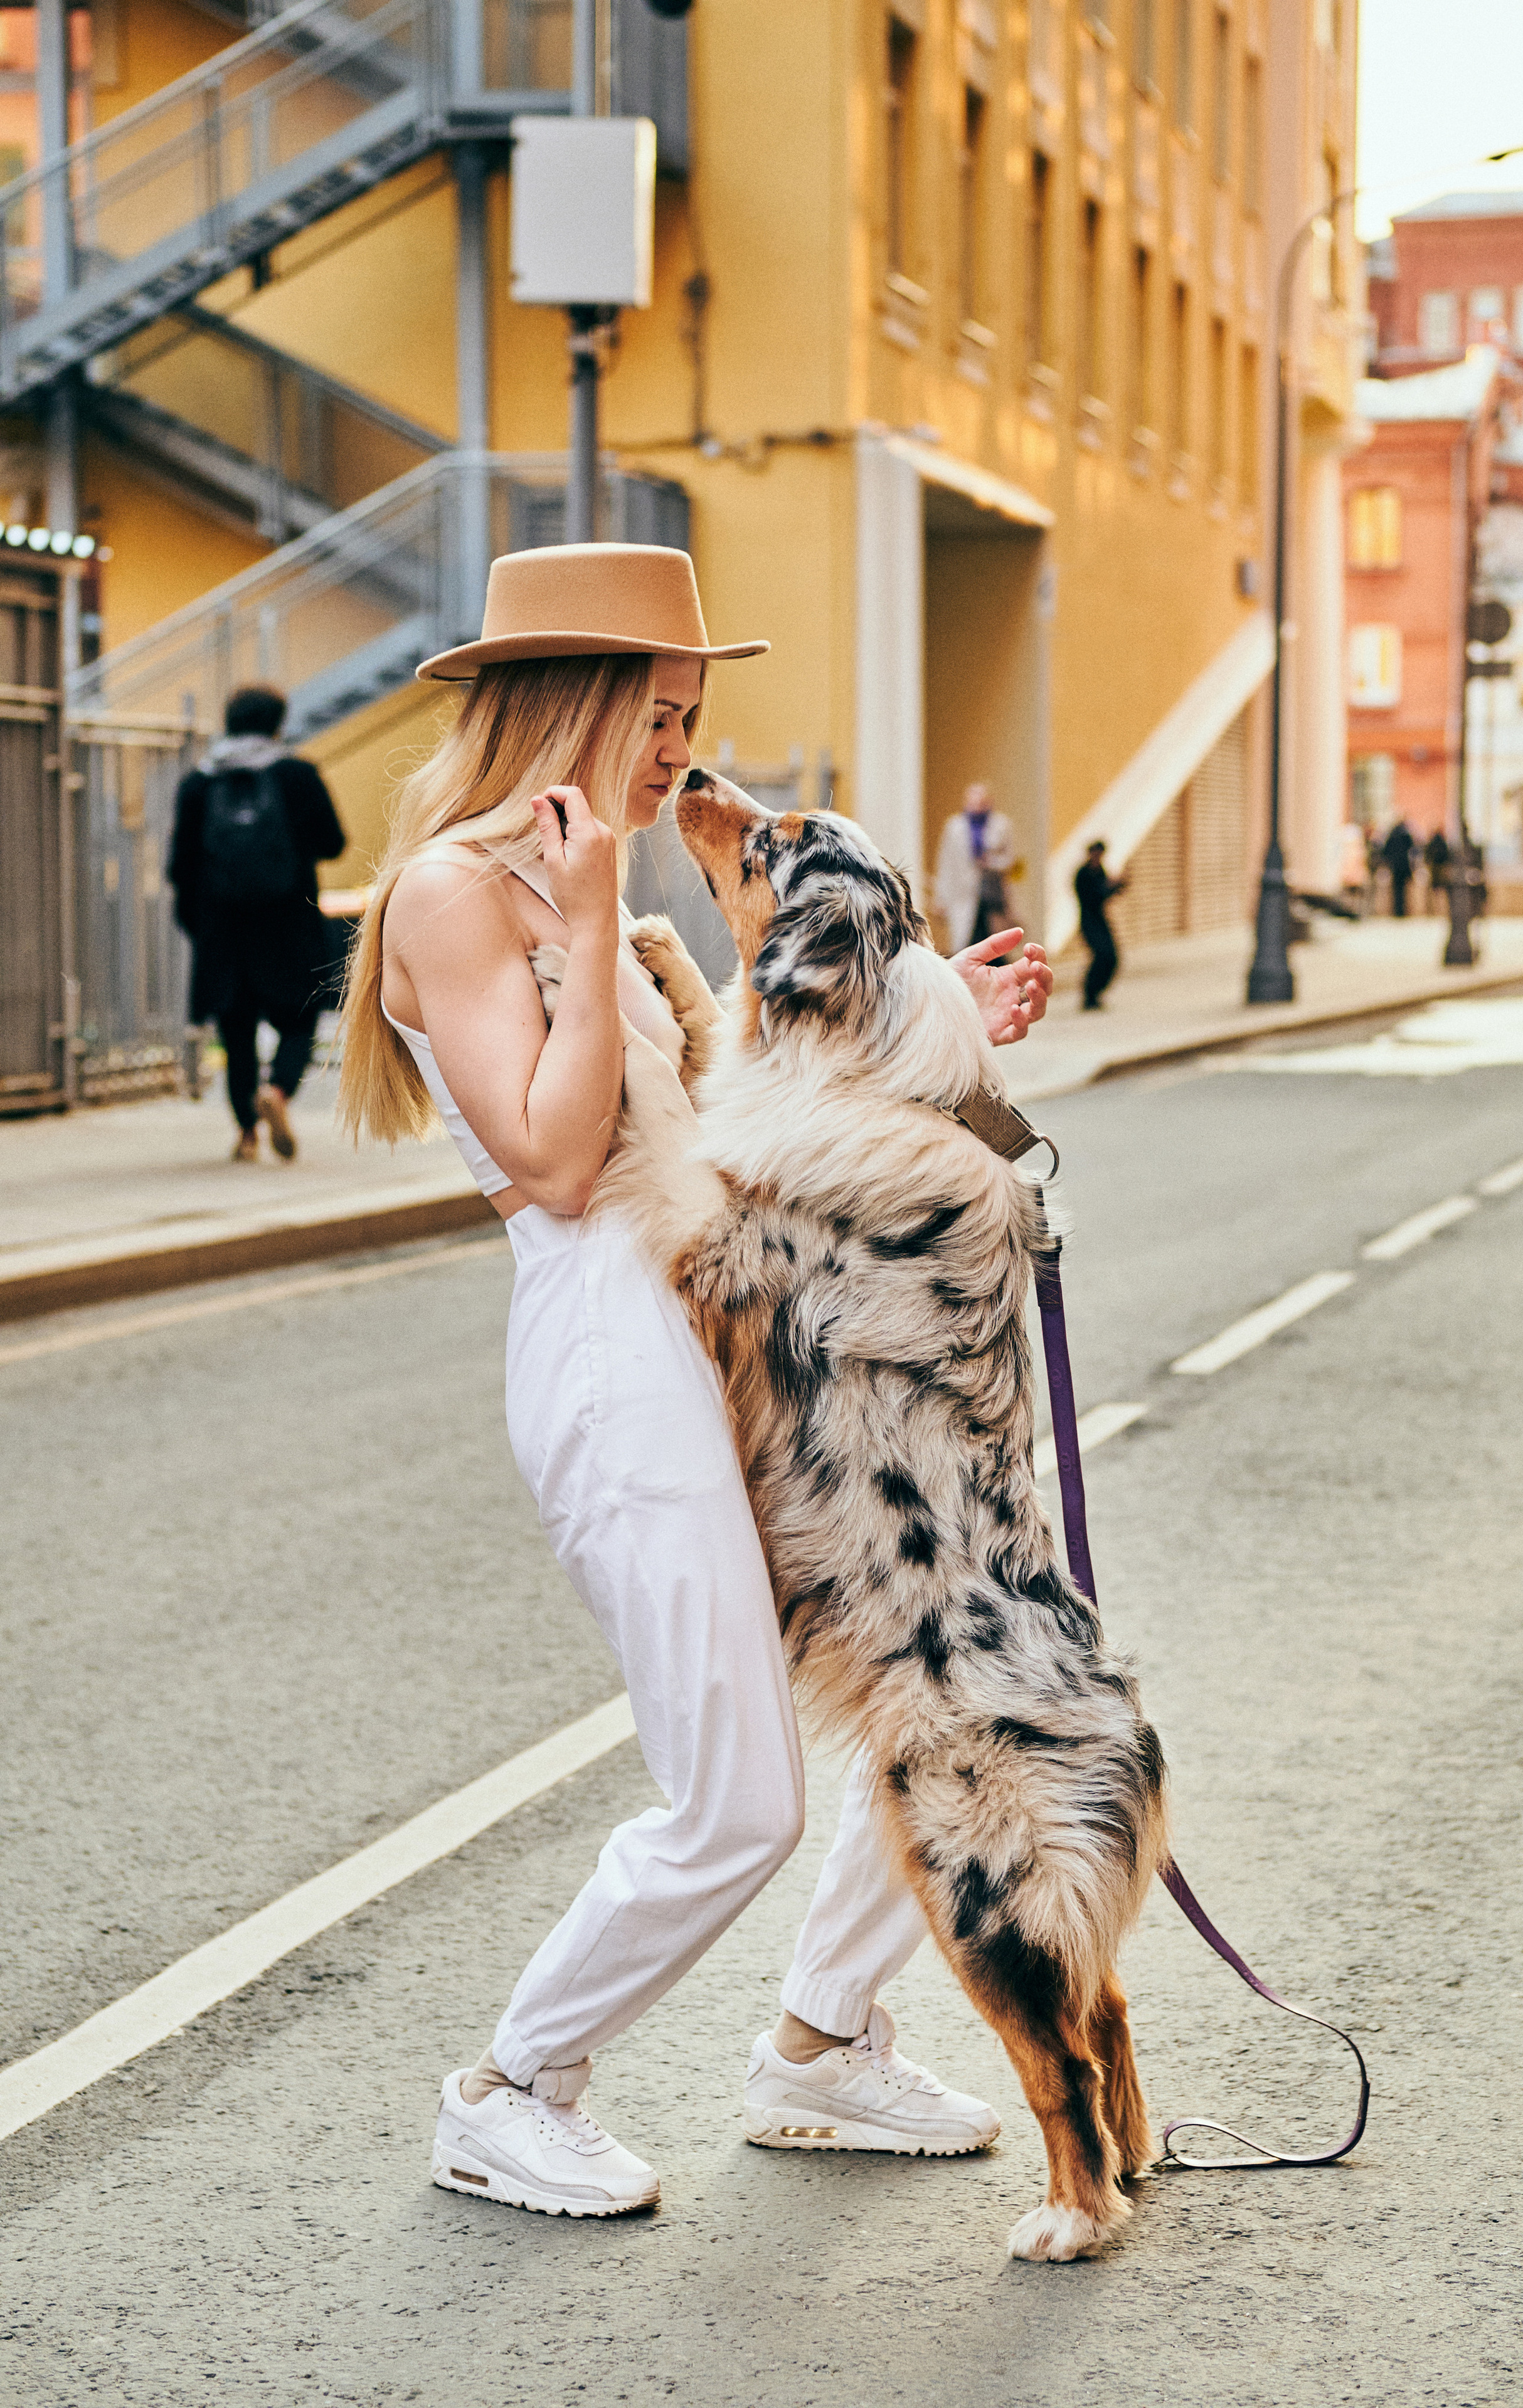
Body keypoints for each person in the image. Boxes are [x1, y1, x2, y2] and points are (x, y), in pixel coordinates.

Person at [337, 544, 1055, 2220]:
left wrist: (944, 1026)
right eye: (660, 719)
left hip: (733, 1332)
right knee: (736, 1797)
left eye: (692, 719)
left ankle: (820, 2045)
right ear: (572, 708)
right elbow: (557, 1156)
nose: (681, 757)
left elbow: (724, 1124)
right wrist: (590, 927)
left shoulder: (584, 895)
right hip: (610, 1354)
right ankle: (512, 2086)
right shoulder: (458, 893)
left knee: (942, 1703)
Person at [169, 687, 346, 1161]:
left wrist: (197, 923)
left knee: (237, 1029)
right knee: (301, 1016)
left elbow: (179, 865)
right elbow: (333, 843)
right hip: (288, 920)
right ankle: (280, 1093)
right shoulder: (297, 775)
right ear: (277, 724)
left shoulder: (199, 783)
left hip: (222, 929)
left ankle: (247, 1134)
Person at [933, 781, 1018, 950]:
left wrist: (991, 863)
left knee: (996, 947)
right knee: (965, 945)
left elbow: (1011, 861)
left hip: (992, 898)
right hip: (963, 895)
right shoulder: (954, 827)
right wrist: (940, 898)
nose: (977, 806)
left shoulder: (1002, 825)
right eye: (972, 801)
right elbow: (946, 865)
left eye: (981, 801)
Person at [1074, 838, 1127, 1011]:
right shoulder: (1083, 874)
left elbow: (1105, 893)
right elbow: (1093, 896)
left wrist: (1117, 886)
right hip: (1089, 921)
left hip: (1100, 919)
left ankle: (1096, 993)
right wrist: (1111, 886)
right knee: (1101, 955)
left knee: (1111, 956)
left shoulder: (1100, 872)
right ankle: (1089, 992)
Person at [1379, 817, 1417, 919]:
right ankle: (1403, 911)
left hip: (1395, 866)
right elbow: (1412, 848)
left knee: (1396, 889)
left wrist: (1389, 861)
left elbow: (1386, 851)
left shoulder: (1392, 835)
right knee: (1403, 889)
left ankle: (1397, 910)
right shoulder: (1406, 834)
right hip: (1404, 865)